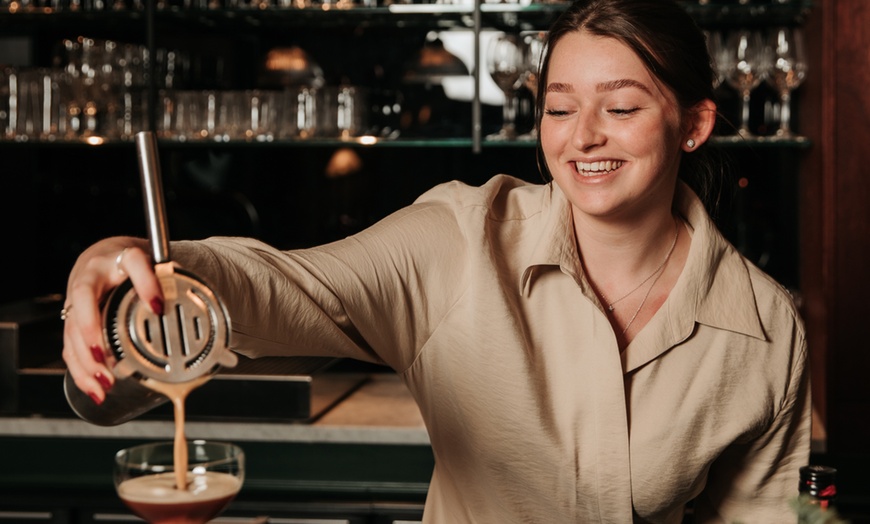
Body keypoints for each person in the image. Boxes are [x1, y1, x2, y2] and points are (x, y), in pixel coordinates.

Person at [61, 0, 811, 521]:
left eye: (620, 108)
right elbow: (281, 287)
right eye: (558, 108)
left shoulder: (765, 330)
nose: (582, 137)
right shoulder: (461, 240)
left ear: (694, 125)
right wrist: (131, 262)